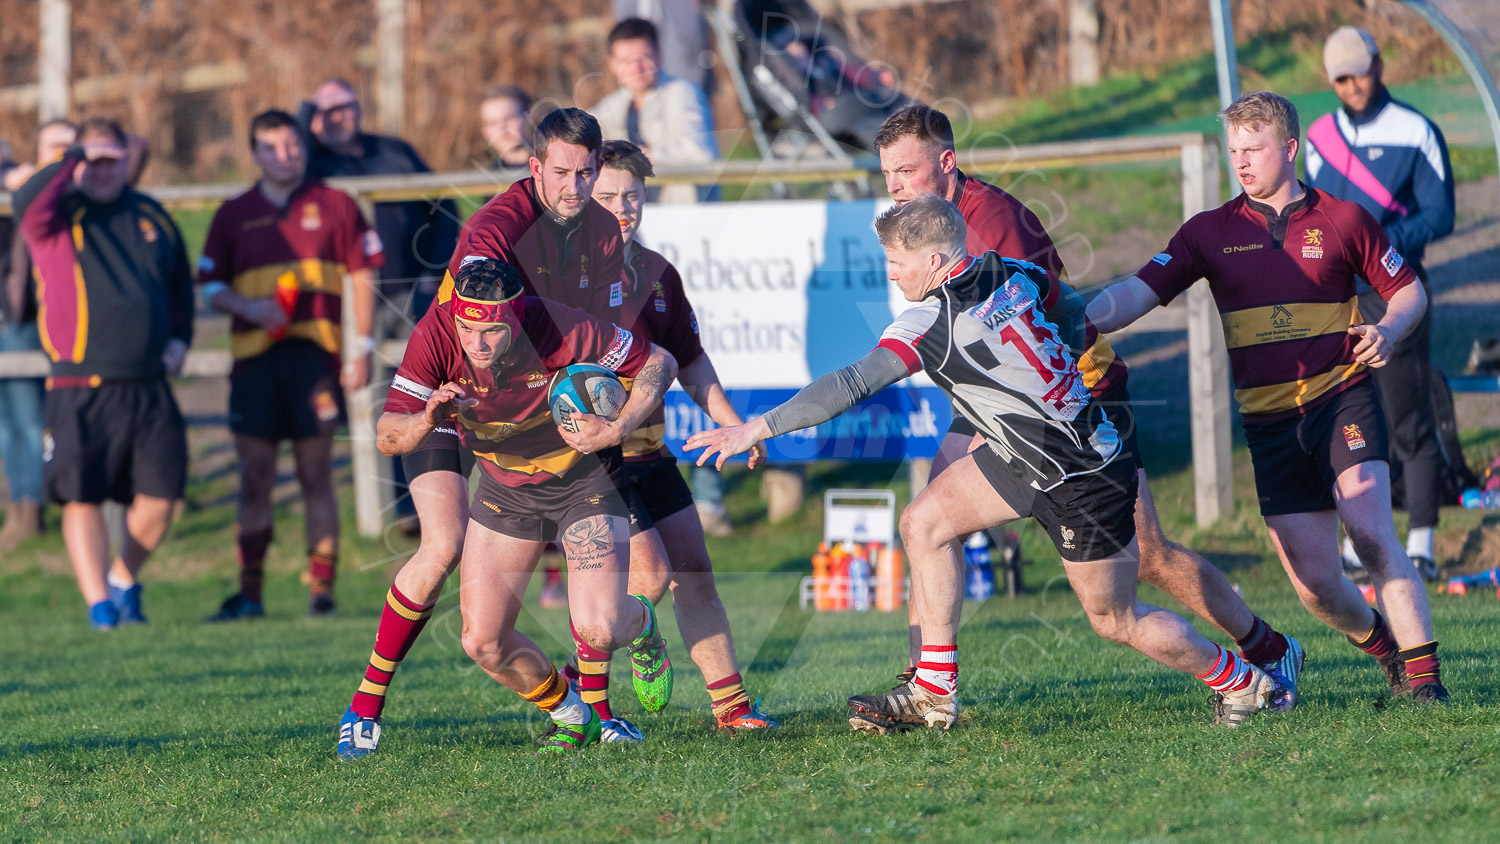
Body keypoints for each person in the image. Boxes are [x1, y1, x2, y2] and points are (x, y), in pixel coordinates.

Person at [690, 195, 1283, 731]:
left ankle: (1245, 682)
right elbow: (1077, 319)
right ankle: (935, 689)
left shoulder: (929, 320)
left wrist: (758, 427)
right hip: (1029, 454)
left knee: (1115, 619)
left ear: (934, 259)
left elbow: (851, 383)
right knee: (923, 522)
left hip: (1079, 477)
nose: (891, 273)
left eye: (897, 261)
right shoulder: (1016, 271)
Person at [873, 104, 1305, 706]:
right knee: (926, 518)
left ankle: (1267, 651)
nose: (894, 187)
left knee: (1147, 556)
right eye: (888, 174)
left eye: (905, 172)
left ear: (946, 163)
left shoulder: (992, 220)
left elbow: (1041, 325)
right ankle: (925, 684)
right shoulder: (929, 225)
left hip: (1074, 395)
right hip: (1006, 399)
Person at [1088, 91, 1449, 703]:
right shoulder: (1209, 232)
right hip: (1270, 423)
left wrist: (1387, 329)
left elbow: (1409, 291)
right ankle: (1386, 649)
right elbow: (1136, 293)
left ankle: (1426, 683)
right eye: (1234, 151)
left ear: (1289, 147)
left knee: (1369, 530)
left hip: (1342, 398)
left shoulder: (1345, 219)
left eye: (1253, 149)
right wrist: (1077, 317)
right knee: (1316, 585)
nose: (1242, 162)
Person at [335, 108, 623, 757]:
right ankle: (366, 705)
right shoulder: (499, 226)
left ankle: (580, 706)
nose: (574, 187)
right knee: (441, 544)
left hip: (521, 405)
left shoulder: (599, 231)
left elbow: (596, 336)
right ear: (534, 169)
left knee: (620, 565)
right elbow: (478, 307)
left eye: (586, 174)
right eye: (561, 173)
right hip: (453, 391)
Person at [352, 256, 678, 756]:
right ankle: (575, 717)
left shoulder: (558, 326)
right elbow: (388, 436)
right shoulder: (437, 332)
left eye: (492, 332)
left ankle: (643, 625)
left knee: (600, 627)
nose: (476, 345)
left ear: (516, 316)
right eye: (467, 328)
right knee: (482, 641)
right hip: (505, 489)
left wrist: (617, 427)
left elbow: (660, 362)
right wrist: (425, 420)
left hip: (584, 479)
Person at [559, 139, 775, 740]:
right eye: (606, 196)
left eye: (632, 195)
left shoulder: (659, 274)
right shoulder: (564, 276)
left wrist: (733, 423)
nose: (622, 208)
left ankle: (731, 707)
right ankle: (632, 645)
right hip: (593, 464)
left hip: (650, 452)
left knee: (694, 567)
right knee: (648, 577)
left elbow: (690, 360)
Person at [197, 110, 381, 620]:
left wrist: (361, 346)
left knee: (315, 472)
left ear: (304, 146)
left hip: (316, 357)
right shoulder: (234, 212)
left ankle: (321, 594)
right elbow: (210, 285)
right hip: (254, 361)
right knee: (254, 475)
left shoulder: (336, 204)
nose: (285, 155)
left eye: (292, 145)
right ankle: (250, 594)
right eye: (271, 147)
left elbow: (363, 274)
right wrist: (247, 306)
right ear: (254, 153)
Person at [14, 117, 193, 630]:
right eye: (91, 161)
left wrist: (180, 339)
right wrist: (72, 157)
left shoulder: (150, 215)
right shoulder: (56, 217)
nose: (101, 170)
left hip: (148, 383)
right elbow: (27, 199)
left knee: (162, 497)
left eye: (111, 158)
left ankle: (122, 578)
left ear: (126, 158)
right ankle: (99, 607)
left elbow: (180, 285)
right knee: (81, 495)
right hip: (79, 385)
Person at [1306, 26, 1456, 582]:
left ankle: (1421, 540)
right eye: (1340, 78)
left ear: (1378, 65)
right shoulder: (1318, 138)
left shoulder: (1416, 131)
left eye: (1359, 72)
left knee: (1408, 413)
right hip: (1337, 296)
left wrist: (1381, 241)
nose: (1352, 86)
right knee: (1350, 419)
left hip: (1398, 290)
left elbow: (1441, 215)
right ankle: (1359, 541)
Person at [300, 79, 461, 524]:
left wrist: (435, 274)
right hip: (341, 299)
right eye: (326, 111)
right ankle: (382, 508)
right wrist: (305, 114)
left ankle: (418, 506)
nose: (338, 117)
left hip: (407, 292)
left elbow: (442, 204)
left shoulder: (393, 150)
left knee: (412, 395)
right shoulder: (312, 160)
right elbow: (289, 163)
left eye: (345, 106)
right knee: (360, 399)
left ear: (359, 106)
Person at [1, 122, 76, 551]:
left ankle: (35, 506)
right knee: (5, 424)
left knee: (30, 418)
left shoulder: (31, 186)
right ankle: (19, 504)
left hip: (21, 315)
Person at [591, 17, 720, 204]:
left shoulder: (682, 93)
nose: (636, 68)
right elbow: (582, 134)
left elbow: (700, 153)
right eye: (626, 61)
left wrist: (641, 156)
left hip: (683, 215)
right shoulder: (613, 105)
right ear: (612, 63)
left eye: (643, 58)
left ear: (659, 54)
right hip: (634, 214)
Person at [479, 85, 534, 169]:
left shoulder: (551, 168)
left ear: (529, 118)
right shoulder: (485, 178)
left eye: (509, 118)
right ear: (484, 131)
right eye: (492, 123)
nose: (501, 128)